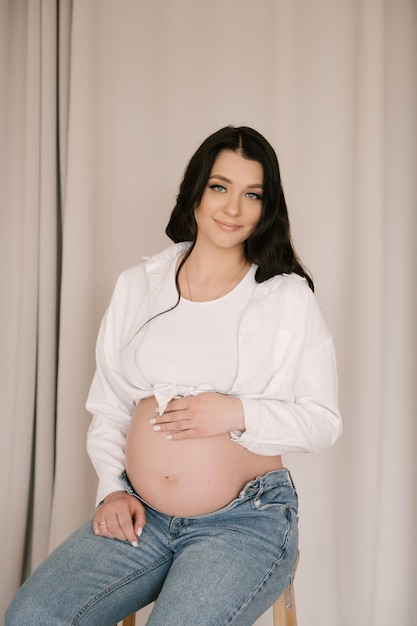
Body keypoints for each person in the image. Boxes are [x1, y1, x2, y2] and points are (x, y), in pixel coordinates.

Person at [6, 126, 342, 625]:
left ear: (267, 206)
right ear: (196, 191)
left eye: (253, 194)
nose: (233, 208)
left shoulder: (285, 296)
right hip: (142, 515)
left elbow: (323, 422)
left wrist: (234, 412)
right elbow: (110, 405)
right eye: (219, 187)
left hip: (245, 521)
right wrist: (112, 489)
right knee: (33, 616)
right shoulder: (139, 286)